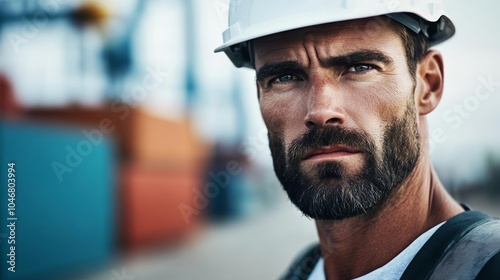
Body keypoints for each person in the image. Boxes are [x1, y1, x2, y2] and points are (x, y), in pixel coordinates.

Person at [215, 1, 500, 279]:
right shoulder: (300, 271)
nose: (320, 111)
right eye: (285, 77)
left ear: (428, 84)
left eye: (361, 67)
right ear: (259, 96)